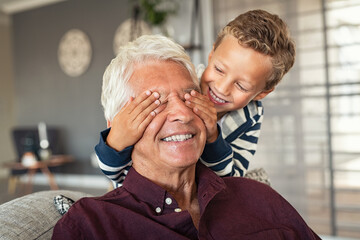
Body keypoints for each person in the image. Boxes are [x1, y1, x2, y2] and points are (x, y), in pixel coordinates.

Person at [52, 35, 319, 240]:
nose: (182, 113)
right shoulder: (90, 225)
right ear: (118, 124)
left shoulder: (259, 197)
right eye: (155, 102)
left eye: (189, 96)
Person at [95, 9, 296, 187]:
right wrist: (117, 140)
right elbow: (114, 173)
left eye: (241, 86)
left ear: (261, 93)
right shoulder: (184, 82)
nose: (221, 88)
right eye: (218, 69)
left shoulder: (250, 117)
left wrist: (212, 137)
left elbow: (230, 178)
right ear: (211, 55)